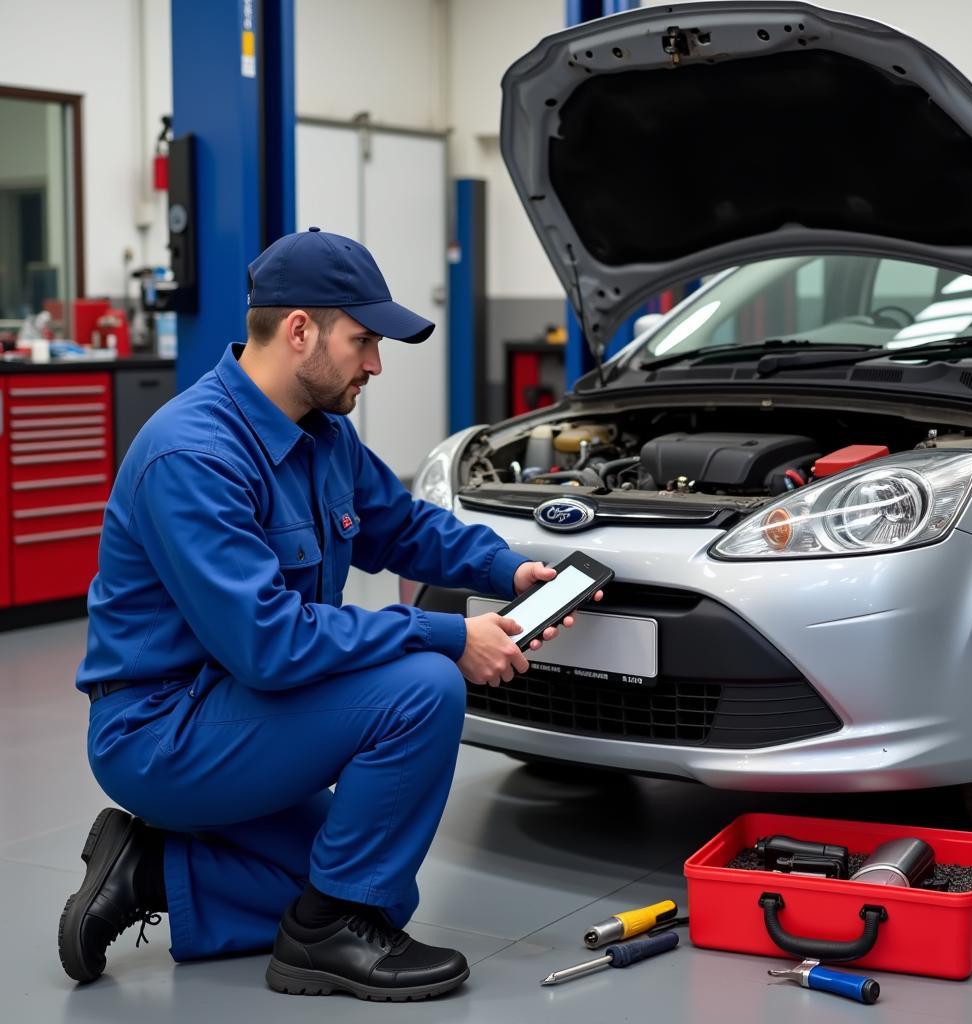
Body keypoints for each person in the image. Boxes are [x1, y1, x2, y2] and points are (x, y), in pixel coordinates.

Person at [58, 228, 602, 1001]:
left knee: (369, 881)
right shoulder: (193, 456)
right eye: (364, 340)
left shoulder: (323, 436)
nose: (375, 364)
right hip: (162, 730)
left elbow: (404, 528)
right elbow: (268, 643)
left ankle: (148, 869)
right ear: (300, 330)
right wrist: (452, 636)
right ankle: (328, 938)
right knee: (424, 689)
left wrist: (510, 570)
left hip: (245, 709)